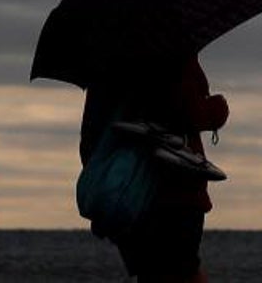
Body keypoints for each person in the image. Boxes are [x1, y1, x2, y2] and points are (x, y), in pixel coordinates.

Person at [81, 55, 230, 282]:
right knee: (182, 271)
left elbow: (91, 139)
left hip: (123, 199)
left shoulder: (106, 63)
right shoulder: (169, 52)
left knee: (155, 273)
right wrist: (216, 109)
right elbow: (185, 110)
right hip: (173, 196)